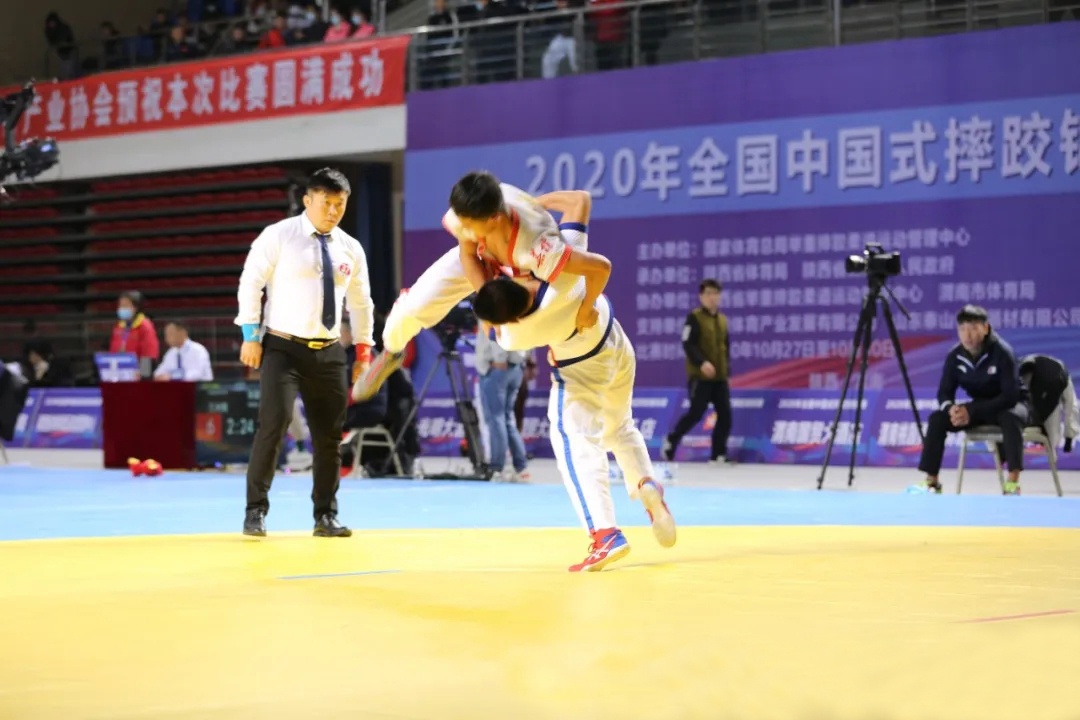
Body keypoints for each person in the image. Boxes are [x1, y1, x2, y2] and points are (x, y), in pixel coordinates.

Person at [472, 191, 676, 572]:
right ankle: (646, 483)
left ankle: (605, 534)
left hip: (582, 368)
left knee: (574, 441)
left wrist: (476, 250)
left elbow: (490, 318)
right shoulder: (560, 268)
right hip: (615, 342)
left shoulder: (514, 334)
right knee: (620, 427)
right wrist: (528, 206)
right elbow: (579, 201)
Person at [352, 172, 609, 402]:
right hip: (482, 257)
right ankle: (392, 353)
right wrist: (486, 300)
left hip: (524, 273)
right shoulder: (474, 209)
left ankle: (562, 347)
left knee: (518, 334)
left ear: (494, 218)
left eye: (468, 225)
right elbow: (467, 253)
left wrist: (587, 308)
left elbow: (599, 267)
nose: (462, 227)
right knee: (412, 308)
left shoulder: (541, 247)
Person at [235, 168, 375, 537]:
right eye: (326, 203)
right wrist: (250, 334)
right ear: (308, 200)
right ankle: (255, 511)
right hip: (282, 348)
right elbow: (251, 282)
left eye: (340, 204)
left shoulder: (350, 248)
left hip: (329, 351)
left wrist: (364, 350)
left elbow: (361, 303)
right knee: (274, 425)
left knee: (329, 437)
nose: (333, 211)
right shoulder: (279, 235)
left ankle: (325, 516)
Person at [915, 304, 1029, 495]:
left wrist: (971, 410)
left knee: (1010, 417)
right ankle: (931, 482)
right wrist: (951, 409)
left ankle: (1012, 482)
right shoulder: (955, 356)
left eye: (973, 328)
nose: (967, 335)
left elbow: (1010, 396)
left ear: (985, 328)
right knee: (937, 419)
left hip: (1012, 404)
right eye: (962, 329)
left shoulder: (1002, 352)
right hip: (980, 407)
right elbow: (944, 393)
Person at [661, 279, 734, 464]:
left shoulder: (723, 320)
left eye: (715, 293)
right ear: (701, 296)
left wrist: (727, 372)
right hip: (700, 376)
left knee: (725, 415)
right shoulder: (694, 318)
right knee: (696, 412)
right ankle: (672, 440)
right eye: (708, 293)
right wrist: (701, 363)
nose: (712, 297)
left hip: (720, 377)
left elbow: (725, 347)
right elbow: (688, 344)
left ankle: (718, 454)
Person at [475, 326, 529, 482]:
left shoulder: (494, 307)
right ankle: (521, 467)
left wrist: (500, 358)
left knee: (496, 418)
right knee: (507, 418)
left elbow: (496, 325)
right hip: (516, 366)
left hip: (499, 367)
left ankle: (496, 468)